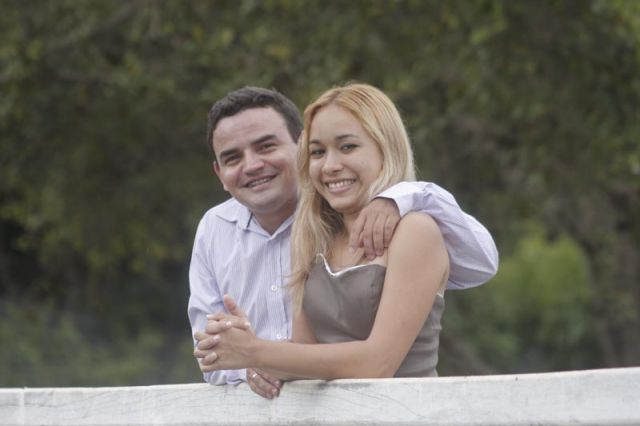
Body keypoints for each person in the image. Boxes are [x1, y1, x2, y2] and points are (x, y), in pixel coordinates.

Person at [188, 86, 498, 394]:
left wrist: (256, 352)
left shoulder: (415, 229)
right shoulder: (313, 236)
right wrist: (255, 359)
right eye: (318, 152)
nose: (331, 165)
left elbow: (379, 362)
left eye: (348, 147)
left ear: (385, 147)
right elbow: (303, 355)